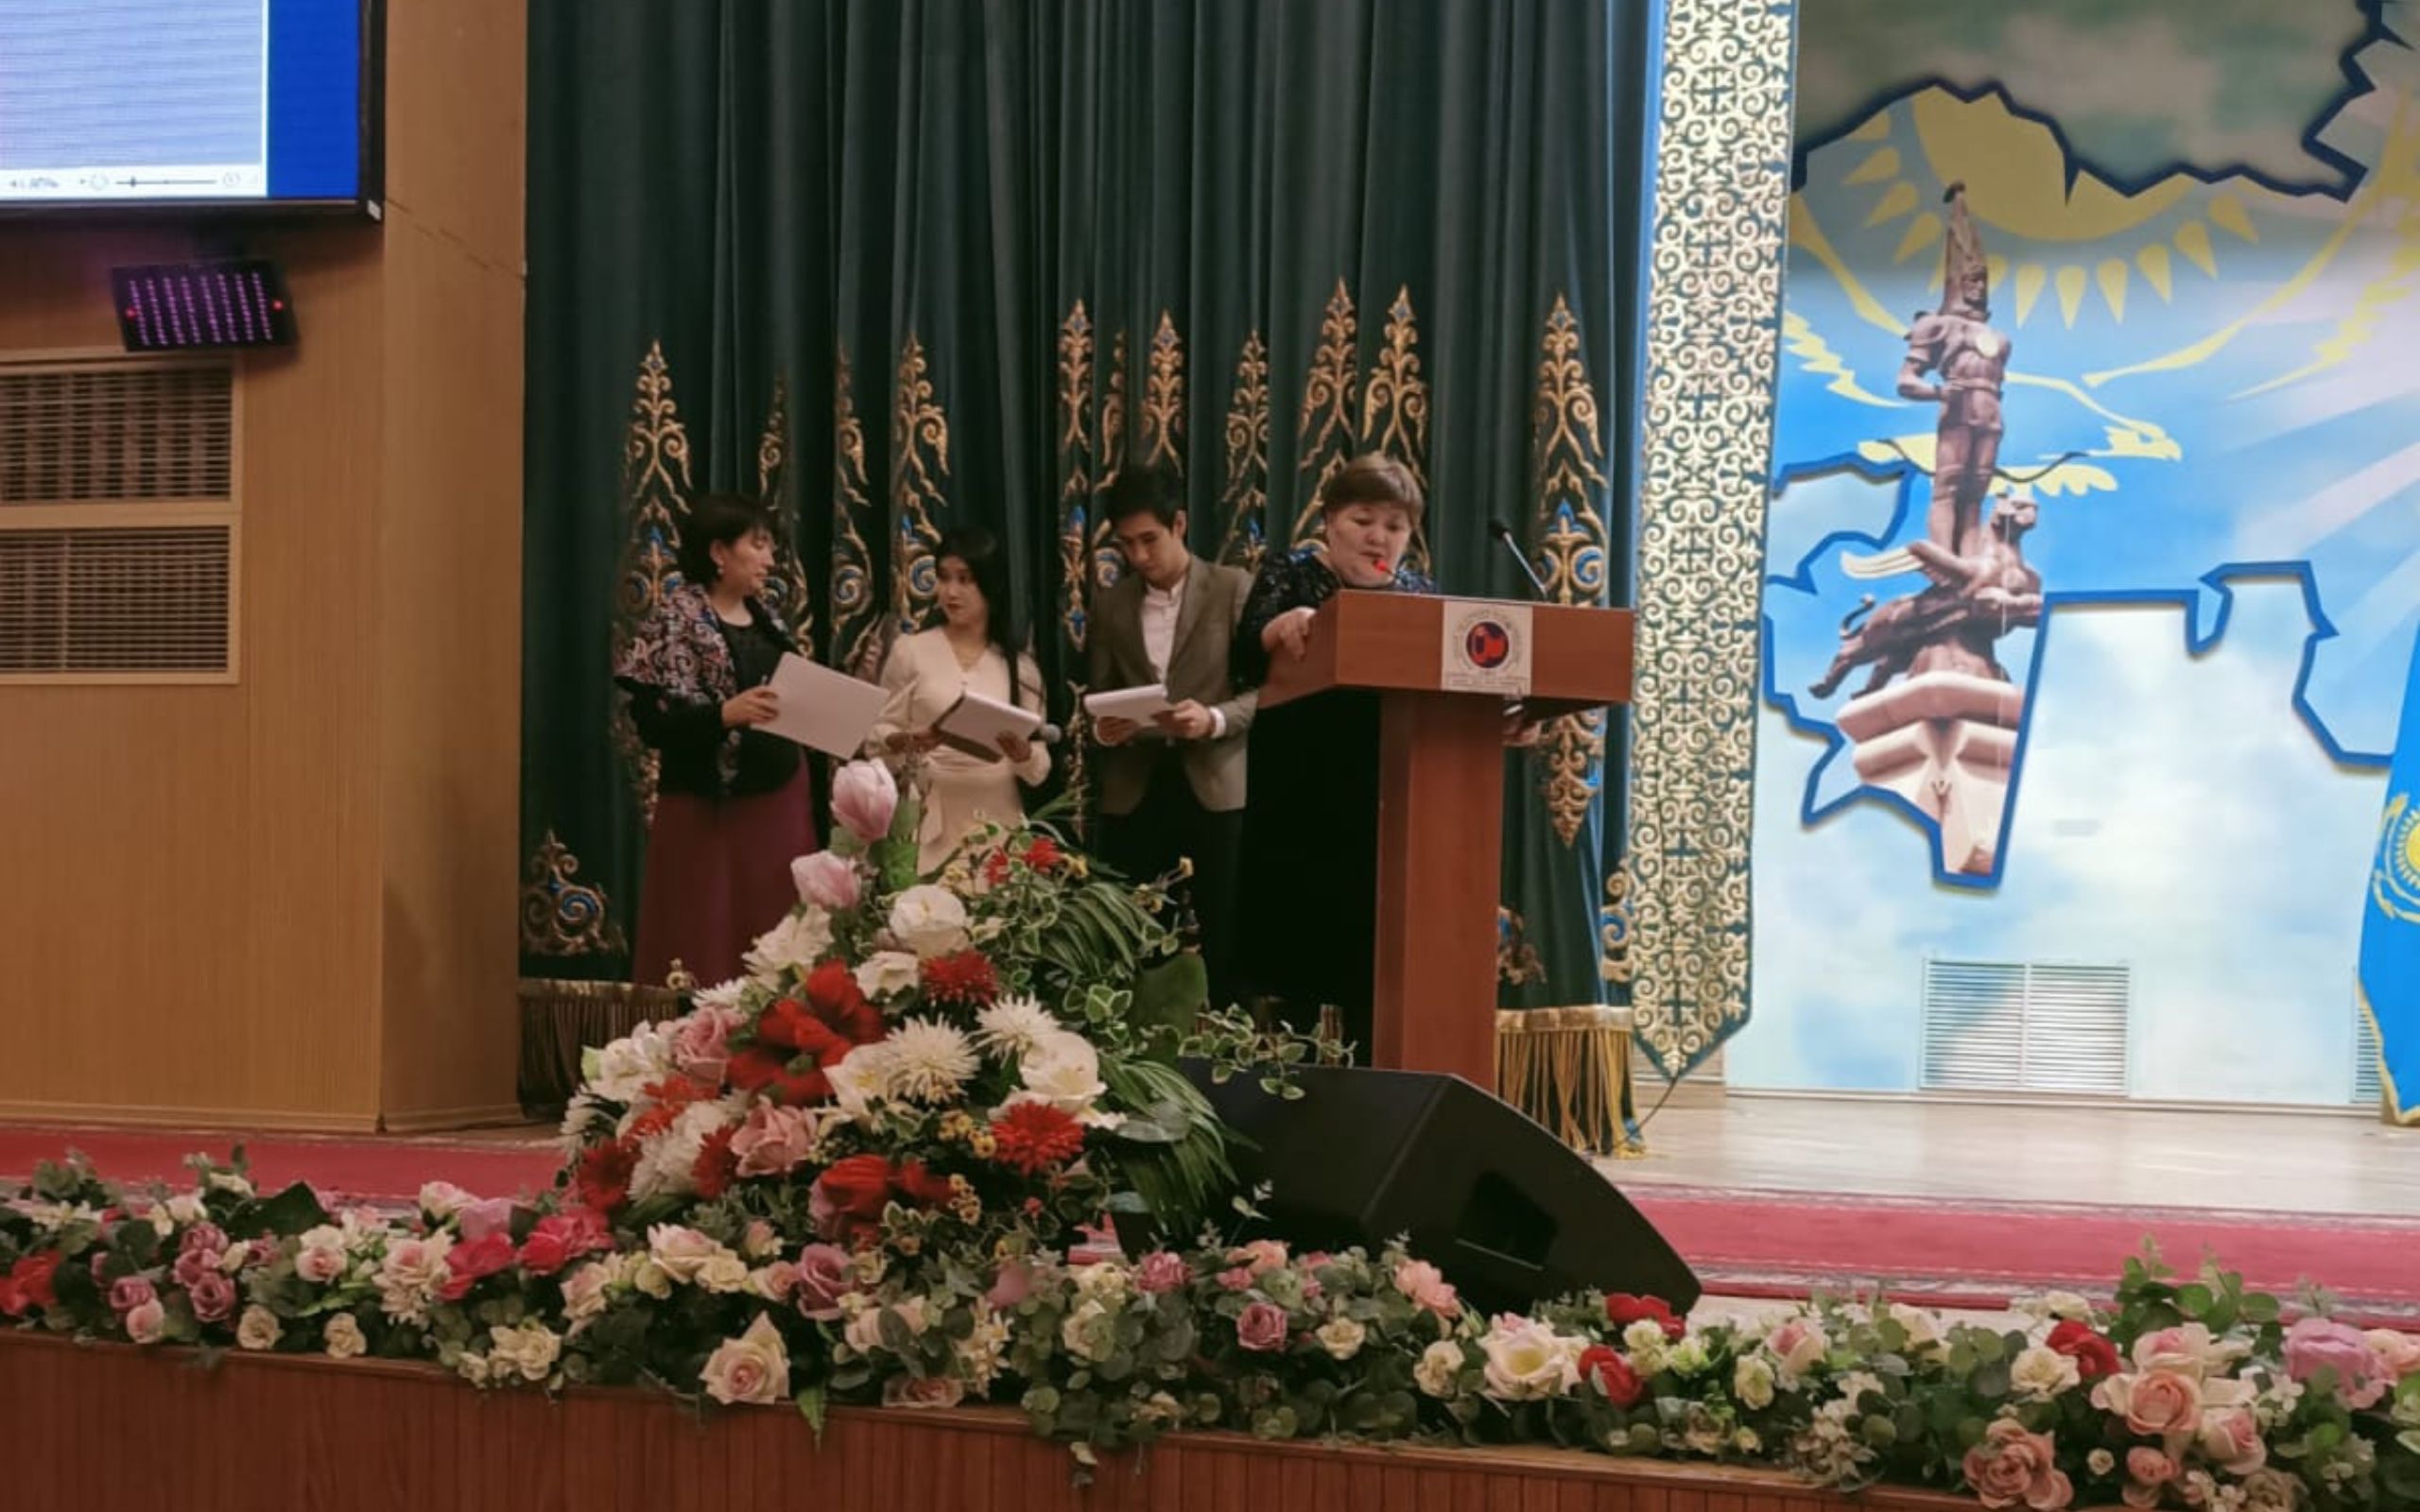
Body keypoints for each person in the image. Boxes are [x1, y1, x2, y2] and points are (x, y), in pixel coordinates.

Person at [1230, 454, 1439, 1051]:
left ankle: (1379, 1083)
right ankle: (1292, 1085)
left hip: (1384, 793)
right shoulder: (1291, 574)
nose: (1378, 537)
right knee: (1296, 953)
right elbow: (1244, 655)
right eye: (1362, 520)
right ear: (1329, 521)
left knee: (1373, 956)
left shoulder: (1421, 596)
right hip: (1301, 792)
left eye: (1394, 526)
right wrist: (1280, 628)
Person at [613, 492, 817, 987]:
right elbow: (654, 727)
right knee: (701, 938)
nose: (770, 559)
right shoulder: (672, 621)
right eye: (758, 545)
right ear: (719, 552)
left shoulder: (770, 621)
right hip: (705, 809)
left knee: (777, 942)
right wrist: (723, 715)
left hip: (777, 802)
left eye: (770, 547)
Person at [1087, 464, 1257, 1008]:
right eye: (1126, 544)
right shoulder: (1111, 605)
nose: (1139, 556)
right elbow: (1099, 696)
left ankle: (1230, 1046)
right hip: (1136, 789)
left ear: (1179, 524)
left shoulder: (1232, 587)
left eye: (1149, 540)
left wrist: (1213, 719)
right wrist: (1106, 729)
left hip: (1214, 783)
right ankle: (1146, 1045)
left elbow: (1264, 693)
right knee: (1137, 939)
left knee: (1227, 939)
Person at [870, 526, 1049, 871]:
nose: (951, 592)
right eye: (943, 577)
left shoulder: (1021, 668)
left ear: (990, 584)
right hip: (927, 819)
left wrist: (1022, 753)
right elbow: (876, 735)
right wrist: (907, 740)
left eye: (965, 579)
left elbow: (1039, 768)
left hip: (998, 821)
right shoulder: (911, 651)